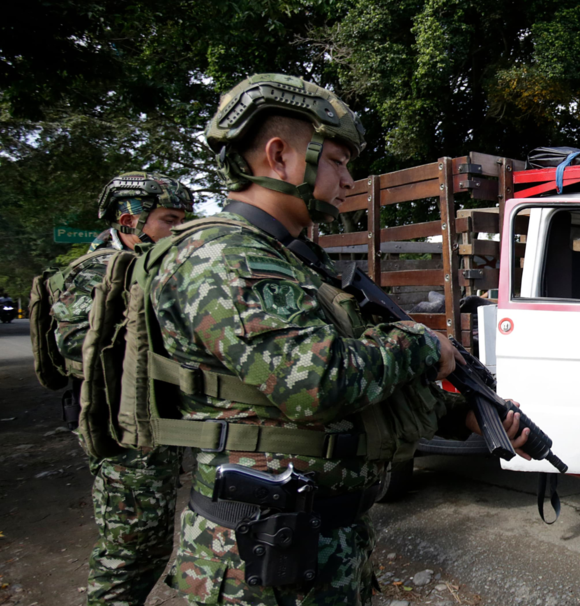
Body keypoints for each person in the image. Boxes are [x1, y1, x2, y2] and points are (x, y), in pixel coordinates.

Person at [145, 73, 528, 604]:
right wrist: (420, 344)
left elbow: (365, 385)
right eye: (338, 161)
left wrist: (461, 415)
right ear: (279, 157)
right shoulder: (223, 258)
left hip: (316, 543)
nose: (349, 179)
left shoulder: (295, 259)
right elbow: (315, 382)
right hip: (259, 559)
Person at [48, 172, 193, 606]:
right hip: (122, 434)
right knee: (129, 554)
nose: (178, 229)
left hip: (150, 424)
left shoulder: (149, 266)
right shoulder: (97, 270)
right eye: (169, 219)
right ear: (130, 220)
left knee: (150, 548)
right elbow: (75, 345)